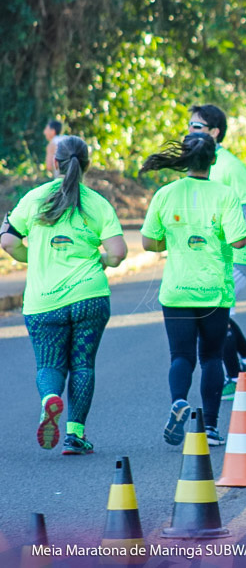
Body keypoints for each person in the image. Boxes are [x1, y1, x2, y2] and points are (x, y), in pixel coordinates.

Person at [1, 136, 127, 455]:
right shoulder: (97, 202)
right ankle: (74, 434)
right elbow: (118, 252)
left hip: (44, 303)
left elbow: (7, 242)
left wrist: (34, 257)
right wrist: (100, 260)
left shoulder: (35, 198)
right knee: (83, 364)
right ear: (86, 165)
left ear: (54, 163)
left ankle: (49, 400)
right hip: (89, 297)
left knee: (49, 365)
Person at [140, 133, 246, 447]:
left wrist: (171, 242)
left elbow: (149, 242)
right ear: (213, 161)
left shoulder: (166, 193)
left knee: (181, 356)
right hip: (214, 291)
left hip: (176, 291)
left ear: (185, 160)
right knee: (212, 358)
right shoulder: (225, 194)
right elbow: (237, 240)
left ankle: (178, 401)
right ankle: (212, 428)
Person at [186, 104, 246, 401]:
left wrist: (242, 235)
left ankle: (235, 376)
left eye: (198, 127)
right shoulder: (200, 160)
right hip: (208, 256)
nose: (191, 130)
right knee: (216, 314)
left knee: (214, 314)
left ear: (214, 132)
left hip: (233, 256)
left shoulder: (230, 166)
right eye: (190, 125)